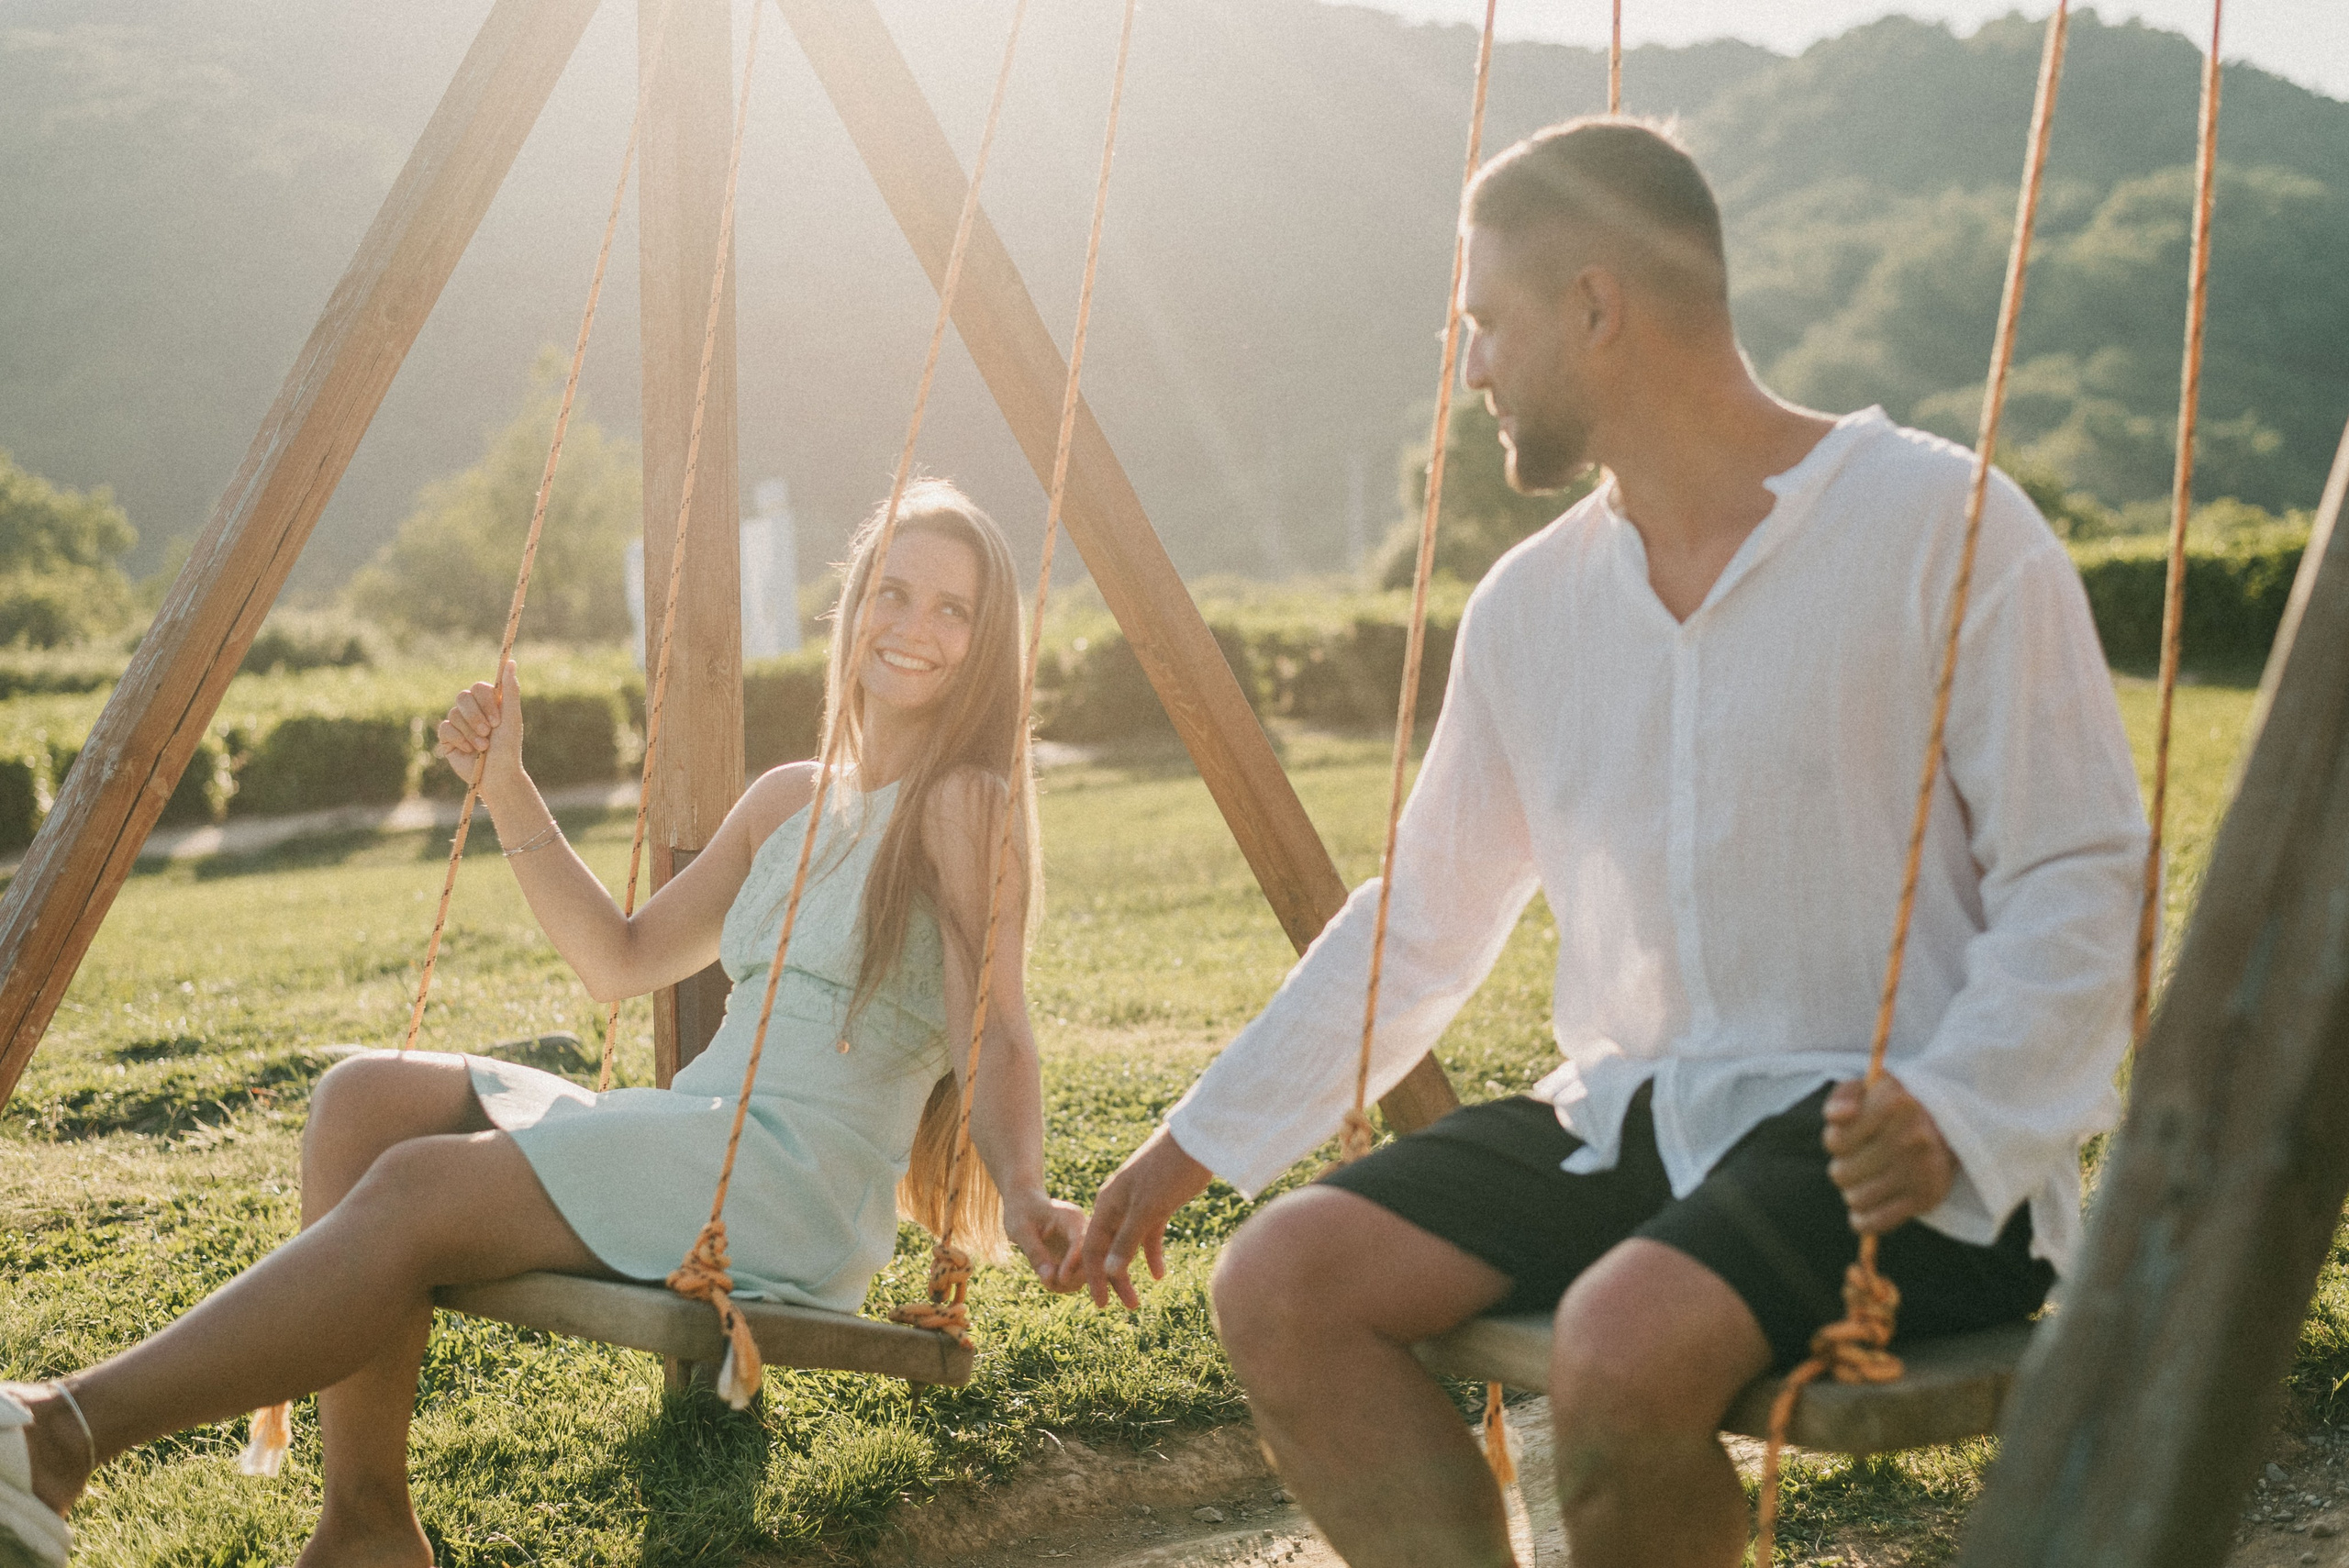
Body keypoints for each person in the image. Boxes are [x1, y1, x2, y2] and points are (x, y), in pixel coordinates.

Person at [1066, 118, 2147, 1568]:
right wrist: (1192, 1147)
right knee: (1283, 1279)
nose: (1472, 371)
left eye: (1488, 324)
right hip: (1636, 1123)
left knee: (1621, 1338)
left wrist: (1956, 1104)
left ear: (1595, 307)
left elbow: (2085, 876)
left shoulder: (1944, 529)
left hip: (1909, 1156)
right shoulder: (1531, 606)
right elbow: (1428, 919)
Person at [0, 479, 1086, 1568]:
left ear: (989, 643)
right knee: (364, 1097)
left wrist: (1027, 1186)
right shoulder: (787, 799)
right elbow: (619, 959)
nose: (914, 626)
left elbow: (993, 1029)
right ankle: (367, 1523)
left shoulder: (966, 802)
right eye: (893, 591)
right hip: (695, 1129)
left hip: (786, 1182)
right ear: (852, 607)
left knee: (419, 1186)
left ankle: (63, 1432)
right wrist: (508, 785)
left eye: (955, 609)